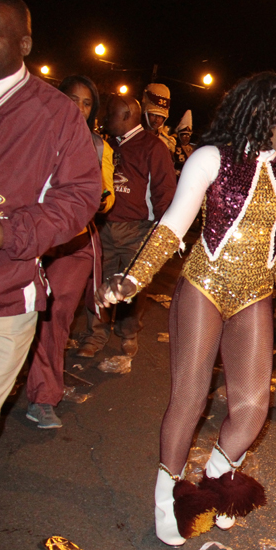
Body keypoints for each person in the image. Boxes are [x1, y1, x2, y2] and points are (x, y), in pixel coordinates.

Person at [97, 72, 276, 544]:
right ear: (259, 113)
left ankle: (214, 480)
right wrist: (134, 277)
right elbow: (174, 225)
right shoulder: (210, 158)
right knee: (190, 398)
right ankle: (166, 495)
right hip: (204, 285)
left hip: (256, 293)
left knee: (253, 407)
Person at [0, 0, 100, 445]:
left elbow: (81, 197)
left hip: (1, 300)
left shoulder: (55, 114)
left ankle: (44, 394)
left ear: (25, 44)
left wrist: (6, 234)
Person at [23, 75, 115, 429]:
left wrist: (101, 198)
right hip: (26, 238)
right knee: (9, 312)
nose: (77, 106)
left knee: (54, 316)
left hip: (72, 244)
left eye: (86, 102)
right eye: (71, 98)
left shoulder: (97, 146)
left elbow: (105, 195)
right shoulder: (28, 132)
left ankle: (44, 397)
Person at [77, 95, 177, 358]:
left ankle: (128, 332)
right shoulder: (106, 145)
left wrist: (159, 234)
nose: (104, 119)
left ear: (125, 116)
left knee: (132, 288)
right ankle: (95, 334)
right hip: (104, 227)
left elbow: (164, 193)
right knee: (99, 284)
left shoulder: (153, 147)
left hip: (137, 230)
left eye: (109, 114)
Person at [141, 82, 176, 153]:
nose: (157, 119)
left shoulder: (167, 143)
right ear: (146, 113)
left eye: (160, 116)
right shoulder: (133, 135)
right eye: (153, 115)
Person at [172, 110, 195, 176]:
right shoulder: (174, 147)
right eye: (184, 135)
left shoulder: (193, 148)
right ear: (179, 136)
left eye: (188, 135)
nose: (186, 138)